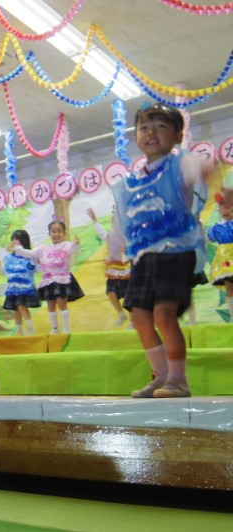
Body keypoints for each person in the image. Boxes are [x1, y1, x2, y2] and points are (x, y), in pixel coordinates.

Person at [111, 103, 207, 399]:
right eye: (144, 128)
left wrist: (206, 169)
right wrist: (114, 250)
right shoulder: (130, 181)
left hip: (175, 251)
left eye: (160, 126)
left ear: (177, 136)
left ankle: (178, 380)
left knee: (164, 314)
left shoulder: (180, 164)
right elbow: (121, 221)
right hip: (143, 257)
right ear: (136, 137)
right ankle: (161, 376)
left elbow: (196, 169)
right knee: (140, 318)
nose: (151, 132)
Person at [14, 219, 83, 334]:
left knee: (61, 302)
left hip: (62, 279)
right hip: (48, 280)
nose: (56, 234)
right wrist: (18, 248)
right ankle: (55, 328)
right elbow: (30, 253)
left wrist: (76, 243)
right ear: (49, 233)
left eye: (59, 231)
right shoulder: (43, 248)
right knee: (50, 304)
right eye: (53, 231)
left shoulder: (67, 245)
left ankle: (66, 328)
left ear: (64, 233)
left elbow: (73, 249)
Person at [87, 207, 130, 326]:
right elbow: (101, 232)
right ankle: (121, 313)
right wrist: (94, 220)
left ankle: (133, 321)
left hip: (127, 273)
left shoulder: (130, 239)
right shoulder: (110, 237)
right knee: (111, 292)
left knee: (129, 298)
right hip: (113, 274)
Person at [0, 230, 40, 336]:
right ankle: (19, 331)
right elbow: (6, 273)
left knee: (20, 306)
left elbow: (34, 269)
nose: (13, 241)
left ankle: (31, 327)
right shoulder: (9, 258)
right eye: (12, 239)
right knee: (16, 310)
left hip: (25, 288)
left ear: (24, 241)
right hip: (12, 288)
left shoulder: (29, 256)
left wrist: (36, 262)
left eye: (16, 239)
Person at [208, 176, 233, 317]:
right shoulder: (217, 228)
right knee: (230, 286)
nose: (226, 209)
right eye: (222, 206)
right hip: (226, 261)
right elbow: (207, 238)